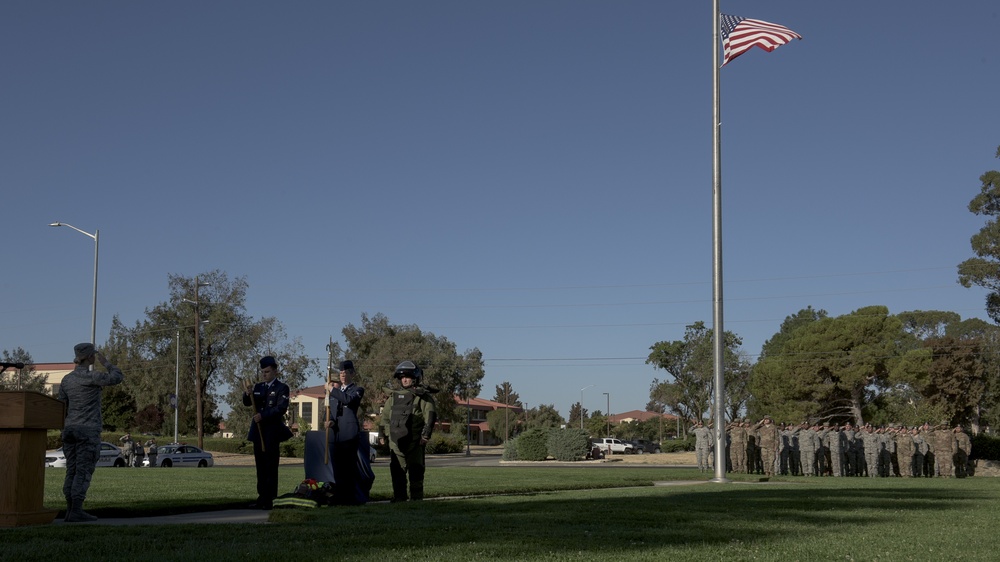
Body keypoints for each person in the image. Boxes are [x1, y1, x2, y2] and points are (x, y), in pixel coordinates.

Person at [57, 343, 125, 522]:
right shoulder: (92, 377)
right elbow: (117, 377)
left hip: (69, 430)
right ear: (89, 357)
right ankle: (77, 510)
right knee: (83, 471)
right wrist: (107, 363)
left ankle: (70, 510)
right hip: (87, 431)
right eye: (94, 355)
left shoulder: (66, 380)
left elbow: (62, 407)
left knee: (71, 470)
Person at [380, 360, 437, 502]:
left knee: (416, 473)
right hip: (396, 443)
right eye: (402, 377)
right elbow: (385, 418)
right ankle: (399, 498)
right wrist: (383, 435)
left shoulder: (423, 397)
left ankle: (416, 500)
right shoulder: (393, 397)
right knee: (397, 472)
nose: (404, 380)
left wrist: (425, 435)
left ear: (415, 378)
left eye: (408, 377)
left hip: (415, 442)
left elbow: (429, 417)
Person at [242, 355, 292, 510]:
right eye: (263, 372)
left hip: (271, 433)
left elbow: (280, 408)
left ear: (275, 371)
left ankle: (271, 499)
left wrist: (263, 415)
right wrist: (247, 393)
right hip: (258, 432)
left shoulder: (281, 388)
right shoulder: (258, 387)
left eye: (267, 372)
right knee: (260, 468)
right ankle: (262, 498)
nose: (264, 374)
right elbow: (247, 402)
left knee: (271, 467)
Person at [324, 360, 372, 505]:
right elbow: (332, 411)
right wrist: (329, 421)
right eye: (341, 373)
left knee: (348, 469)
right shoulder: (334, 392)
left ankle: (350, 498)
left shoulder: (356, 390)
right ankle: (339, 496)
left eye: (346, 373)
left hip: (348, 434)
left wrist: (332, 390)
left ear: (352, 374)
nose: (343, 375)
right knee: (337, 469)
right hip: (335, 435)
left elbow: (349, 401)